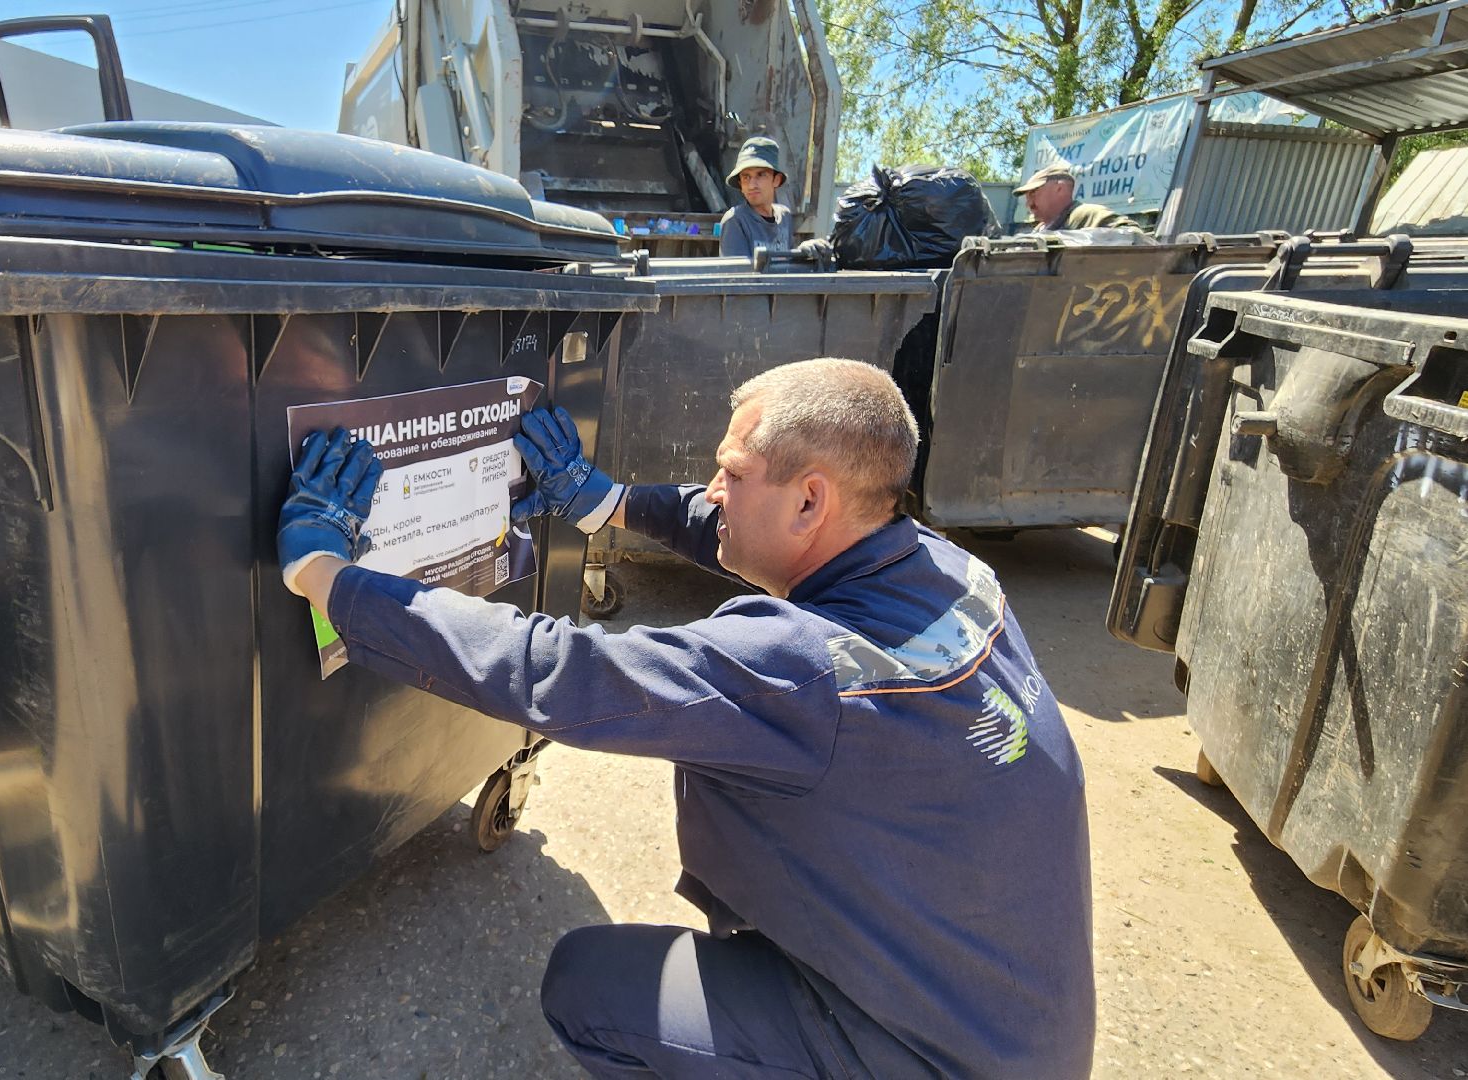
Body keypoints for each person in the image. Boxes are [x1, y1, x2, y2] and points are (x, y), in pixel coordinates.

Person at [276, 358, 1096, 1078]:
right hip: (1009, 1023)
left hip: (927, 1058)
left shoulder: (807, 672)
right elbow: (750, 536)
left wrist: (327, 574)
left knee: (591, 988)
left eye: (731, 474)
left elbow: (561, 675)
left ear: (812, 499)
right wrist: (611, 503)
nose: (713, 492)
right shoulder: (949, 570)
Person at [718, 136, 794, 258]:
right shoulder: (735, 221)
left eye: (761, 175)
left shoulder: (784, 217)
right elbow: (737, 275)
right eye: (746, 177)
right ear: (740, 185)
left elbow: (790, 267)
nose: (752, 185)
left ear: (776, 180)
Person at [1014, 161, 1142, 232]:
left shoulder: (1087, 215)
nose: (1028, 203)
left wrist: (1083, 242)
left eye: (1034, 193)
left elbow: (1134, 235)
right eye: (1027, 196)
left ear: (1060, 188)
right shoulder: (1039, 230)